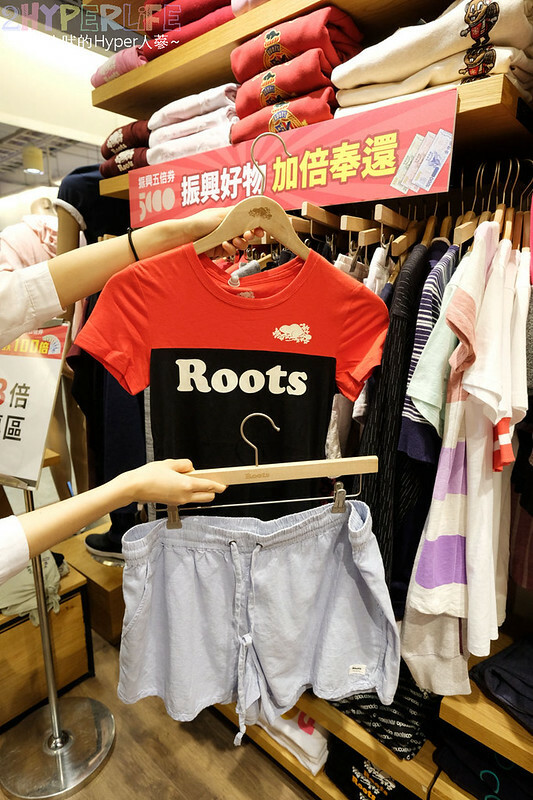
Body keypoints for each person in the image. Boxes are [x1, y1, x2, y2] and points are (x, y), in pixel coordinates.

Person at [0, 207, 263, 585]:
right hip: (192, 527)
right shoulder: (137, 293)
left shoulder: (331, 295)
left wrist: (180, 232)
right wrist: (125, 491)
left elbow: (25, 294)